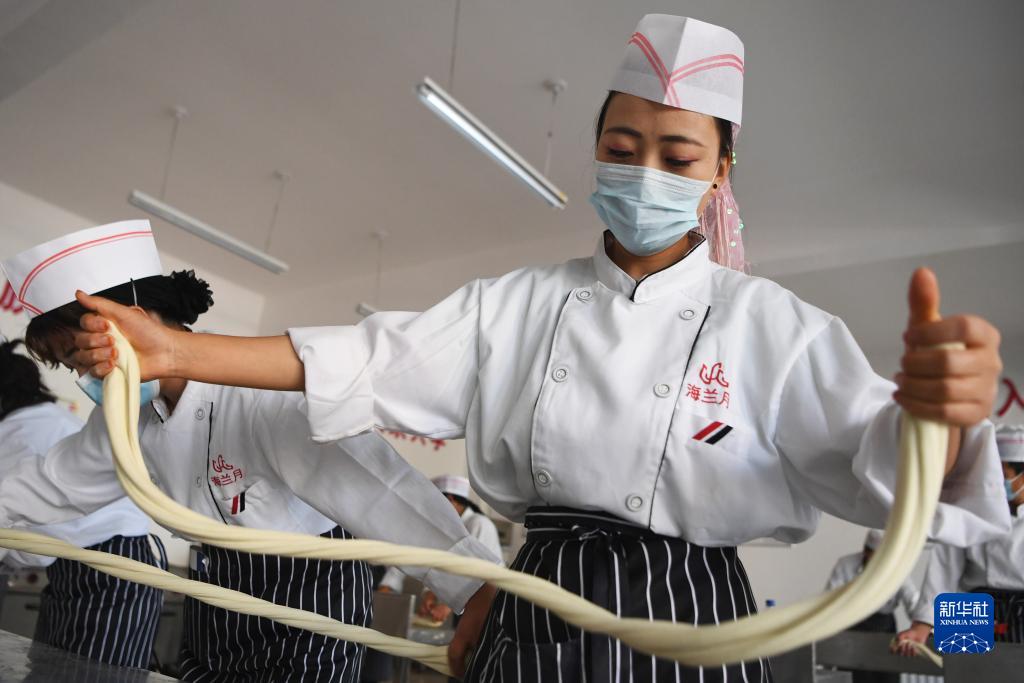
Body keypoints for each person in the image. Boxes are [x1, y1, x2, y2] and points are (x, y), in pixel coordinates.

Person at [65, 14, 1009, 683]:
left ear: (722, 169)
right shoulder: (514, 305)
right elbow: (368, 358)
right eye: (621, 144)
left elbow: (874, 456)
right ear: (595, 147)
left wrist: (937, 415)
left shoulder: (773, 324)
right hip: (537, 598)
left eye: (678, 157)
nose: (645, 171)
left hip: (690, 614)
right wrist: (183, 355)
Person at [0, 222, 499, 682]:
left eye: (83, 355)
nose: (88, 377)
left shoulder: (257, 395)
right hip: (216, 595)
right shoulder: (124, 416)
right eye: (73, 366)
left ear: (137, 319)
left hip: (310, 597)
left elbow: (376, 489)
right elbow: (51, 483)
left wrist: (473, 587)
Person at [0, 337, 165, 668]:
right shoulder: (39, 421)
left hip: (112, 566)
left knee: (91, 675)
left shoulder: (28, 432)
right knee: (53, 668)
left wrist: (10, 554)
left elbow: (35, 521)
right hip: (79, 563)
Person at [896, 424, 1024, 653]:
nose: (996, 484)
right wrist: (922, 624)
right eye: (993, 475)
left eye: (1003, 476)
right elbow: (943, 567)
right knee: (966, 675)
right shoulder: (970, 506)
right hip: (969, 606)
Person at [379, 475, 504, 623]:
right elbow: (436, 565)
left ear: (450, 500)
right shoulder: (443, 530)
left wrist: (446, 606)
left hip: (485, 605)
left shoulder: (479, 524)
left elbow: (478, 572)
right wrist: (429, 595)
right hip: (461, 605)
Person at [825, 530, 918, 683]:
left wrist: (923, 625)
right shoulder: (845, 565)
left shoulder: (897, 567)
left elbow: (912, 599)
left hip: (885, 629)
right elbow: (830, 602)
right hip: (854, 629)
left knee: (888, 677)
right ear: (866, 552)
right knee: (855, 678)